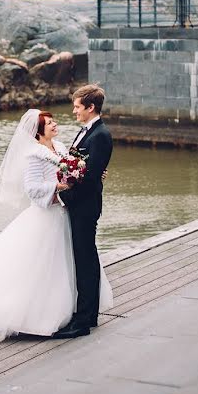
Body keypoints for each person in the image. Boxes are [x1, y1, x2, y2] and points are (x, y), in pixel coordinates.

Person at [0, 109, 112, 341]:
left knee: (69, 264)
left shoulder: (63, 147)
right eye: (49, 123)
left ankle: (78, 313)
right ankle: (38, 315)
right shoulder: (34, 156)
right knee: (42, 266)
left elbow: (80, 170)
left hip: (67, 214)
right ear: (38, 132)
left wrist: (94, 175)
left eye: (53, 121)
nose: (55, 124)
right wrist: (58, 188)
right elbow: (33, 189)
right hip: (48, 216)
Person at [53, 84, 114, 339]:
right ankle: (88, 315)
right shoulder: (86, 132)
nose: (74, 110)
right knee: (85, 259)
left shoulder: (100, 135)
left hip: (85, 207)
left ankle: (83, 321)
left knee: (85, 261)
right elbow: (80, 168)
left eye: (78, 106)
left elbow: (88, 180)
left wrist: (62, 195)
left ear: (91, 107)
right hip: (80, 205)